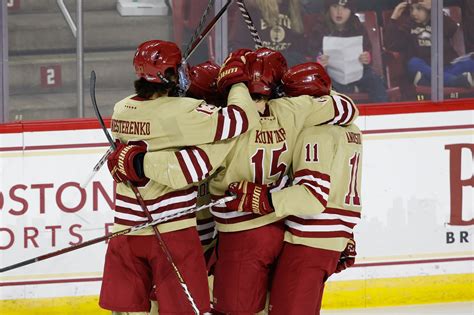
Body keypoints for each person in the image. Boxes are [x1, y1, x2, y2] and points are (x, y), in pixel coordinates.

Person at [119, 47, 359, 314]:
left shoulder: (222, 129)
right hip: (276, 231)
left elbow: (186, 170)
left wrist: (137, 163)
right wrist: (341, 234)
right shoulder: (292, 112)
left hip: (235, 236)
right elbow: (345, 108)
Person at [100, 39, 260, 314]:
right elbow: (242, 119)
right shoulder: (181, 112)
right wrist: (237, 82)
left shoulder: (121, 108)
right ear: (171, 74)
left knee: (129, 310)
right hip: (172, 233)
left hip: (126, 231)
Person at [252, 62, 362, 314]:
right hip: (332, 238)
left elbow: (312, 196)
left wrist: (264, 199)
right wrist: (345, 234)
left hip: (309, 240)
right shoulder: (351, 130)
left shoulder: (315, 133)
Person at [308, 0, 388, 103]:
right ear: (329, 8)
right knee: (325, 83)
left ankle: (380, 114)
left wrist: (367, 57)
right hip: (331, 74)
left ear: (351, 11)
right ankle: (350, 89)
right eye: (335, 7)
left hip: (357, 72)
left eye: (345, 8)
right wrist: (319, 60)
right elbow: (311, 52)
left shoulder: (357, 26)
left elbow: (367, 49)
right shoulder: (320, 28)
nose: (339, 12)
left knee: (375, 81)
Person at [384, 0, 474, 88]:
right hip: (424, 67)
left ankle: (427, 81)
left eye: (419, 9)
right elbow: (392, 44)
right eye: (412, 9)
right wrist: (393, 18)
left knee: (471, 62)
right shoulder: (409, 26)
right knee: (413, 63)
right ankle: (454, 81)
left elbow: (452, 29)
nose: (414, 13)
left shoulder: (438, 21)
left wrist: (436, 9)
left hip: (447, 67)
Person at [228, 0, 308, 66]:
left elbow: (300, 51)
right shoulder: (251, 8)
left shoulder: (295, 9)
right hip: (256, 73)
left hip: (286, 73)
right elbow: (239, 49)